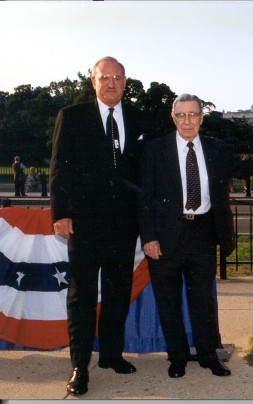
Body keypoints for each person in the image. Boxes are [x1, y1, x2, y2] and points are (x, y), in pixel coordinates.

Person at [139, 93, 253, 379]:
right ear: (173, 117)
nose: (187, 121)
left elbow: (244, 164)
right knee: (168, 299)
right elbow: (145, 198)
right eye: (181, 115)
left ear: (202, 117)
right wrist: (149, 237)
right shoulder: (155, 149)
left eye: (193, 114)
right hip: (165, 234)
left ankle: (207, 355)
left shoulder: (215, 148)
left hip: (202, 231)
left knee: (204, 299)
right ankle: (176, 357)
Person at [50, 56, 147, 396]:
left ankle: (111, 355)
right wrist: (60, 213)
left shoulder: (138, 119)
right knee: (82, 296)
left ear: (125, 82)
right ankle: (80, 365)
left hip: (124, 226)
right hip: (85, 226)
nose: (111, 83)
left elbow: (145, 172)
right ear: (93, 81)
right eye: (104, 77)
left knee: (119, 293)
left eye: (117, 77)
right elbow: (59, 168)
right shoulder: (72, 116)